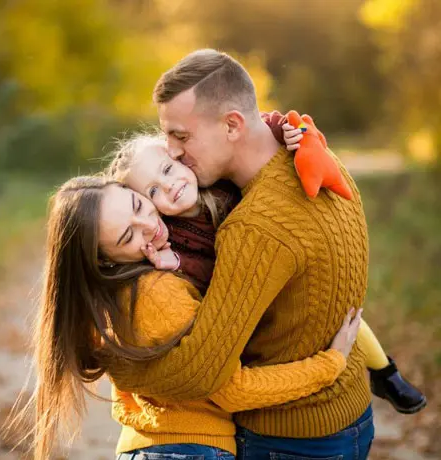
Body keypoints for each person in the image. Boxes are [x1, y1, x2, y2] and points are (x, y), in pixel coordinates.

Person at [98, 49, 378, 460]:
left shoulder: (253, 227)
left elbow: (204, 374)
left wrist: (115, 363)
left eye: (182, 136)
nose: (172, 152)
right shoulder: (313, 156)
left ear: (232, 125)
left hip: (289, 437)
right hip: (350, 413)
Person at [16, 174, 360, 460]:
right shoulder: (155, 293)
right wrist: (328, 365)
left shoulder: (107, 296)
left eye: (138, 206)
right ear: (105, 259)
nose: (149, 226)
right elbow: (231, 389)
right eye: (128, 236)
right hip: (190, 448)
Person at [107, 129, 426, 416]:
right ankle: (309, 380)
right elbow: (210, 281)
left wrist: (281, 128)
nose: (169, 187)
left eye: (167, 170)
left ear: (179, 158)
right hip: (244, 300)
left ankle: (386, 373)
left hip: (278, 270)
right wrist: (174, 264)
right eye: (152, 192)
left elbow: (246, 130)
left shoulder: (219, 182)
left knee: (343, 311)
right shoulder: (173, 238)